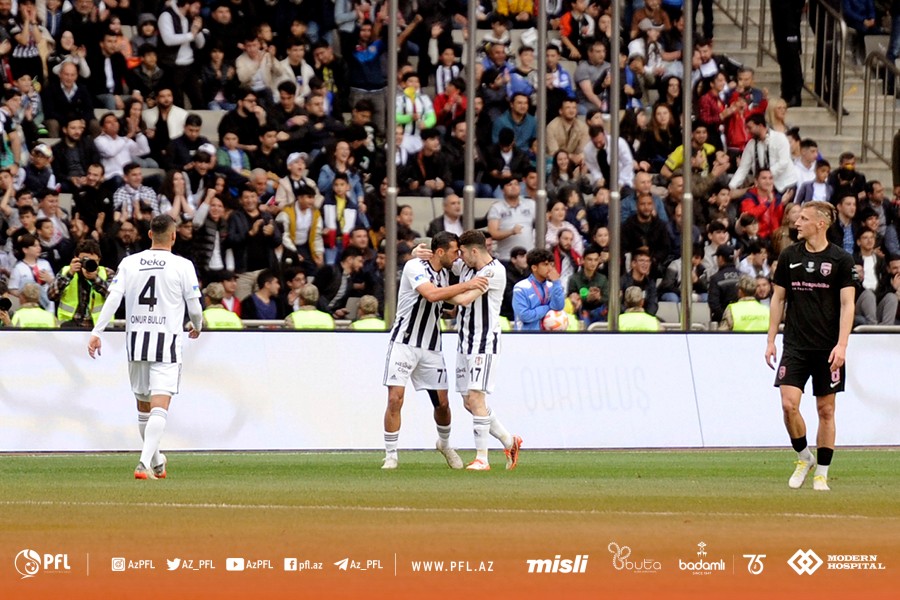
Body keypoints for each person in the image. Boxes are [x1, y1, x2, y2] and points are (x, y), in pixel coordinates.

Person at [88, 214, 203, 480]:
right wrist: (197, 325)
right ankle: (142, 463)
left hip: (136, 343)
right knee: (159, 406)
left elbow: (113, 298)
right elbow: (195, 307)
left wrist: (97, 331)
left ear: (150, 234)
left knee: (144, 408)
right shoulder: (183, 265)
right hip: (166, 344)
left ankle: (157, 460)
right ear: (173, 236)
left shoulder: (129, 262)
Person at [765, 201, 857, 492]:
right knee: (788, 404)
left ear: (821, 223)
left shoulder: (841, 259)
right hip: (795, 345)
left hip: (827, 347)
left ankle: (822, 473)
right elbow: (778, 299)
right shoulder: (789, 255)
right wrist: (770, 339)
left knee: (826, 410)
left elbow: (848, 304)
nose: (797, 223)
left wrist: (842, 345)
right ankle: (804, 457)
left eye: (804, 218)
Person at [382, 231, 490, 470]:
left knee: (442, 404)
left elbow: (451, 298)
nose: (457, 256)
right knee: (395, 398)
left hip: (432, 346)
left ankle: (445, 444)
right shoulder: (414, 266)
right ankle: (391, 455)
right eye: (454, 252)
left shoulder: (448, 272)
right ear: (440, 251)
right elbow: (431, 294)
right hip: (404, 343)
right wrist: (468, 285)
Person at [452, 229, 522, 471]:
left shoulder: (493, 271)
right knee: (468, 402)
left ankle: (482, 458)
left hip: (483, 342)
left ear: (474, 251)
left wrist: (435, 293)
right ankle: (509, 441)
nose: (459, 257)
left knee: (476, 398)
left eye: (462, 252)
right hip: (464, 341)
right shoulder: (465, 266)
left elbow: (464, 299)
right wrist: (421, 252)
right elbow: (444, 262)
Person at [49, 239, 112, 328]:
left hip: (99, 325)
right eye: (84, 260)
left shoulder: (107, 273)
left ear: (99, 259)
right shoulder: (66, 271)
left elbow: (115, 297)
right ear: (76, 258)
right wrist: (69, 274)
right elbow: (51, 295)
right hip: (70, 325)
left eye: (93, 261)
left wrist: (96, 279)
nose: (88, 263)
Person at [512, 248, 566, 331]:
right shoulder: (521, 287)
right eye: (546, 264)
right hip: (525, 335)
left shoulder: (552, 286)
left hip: (548, 335)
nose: (550, 268)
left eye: (551, 264)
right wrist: (548, 308)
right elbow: (525, 316)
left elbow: (558, 307)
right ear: (534, 267)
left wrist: (556, 282)